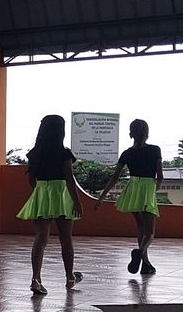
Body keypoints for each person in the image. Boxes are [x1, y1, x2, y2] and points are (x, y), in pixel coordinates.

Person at [17, 115, 84, 295]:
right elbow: (69, 178)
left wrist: (41, 192)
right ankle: (69, 277)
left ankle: (36, 279)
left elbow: (31, 179)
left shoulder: (34, 153)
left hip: (42, 193)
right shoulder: (64, 153)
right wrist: (77, 201)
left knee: (40, 239)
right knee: (66, 239)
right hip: (61, 194)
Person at [96, 119, 163, 274]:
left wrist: (101, 198)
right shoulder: (155, 150)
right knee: (150, 232)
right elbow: (160, 176)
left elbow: (114, 178)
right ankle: (140, 253)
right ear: (146, 133)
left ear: (131, 134)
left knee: (140, 227)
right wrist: (154, 190)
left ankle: (145, 264)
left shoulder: (126, 153)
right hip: (147, 188)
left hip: (132, 189)